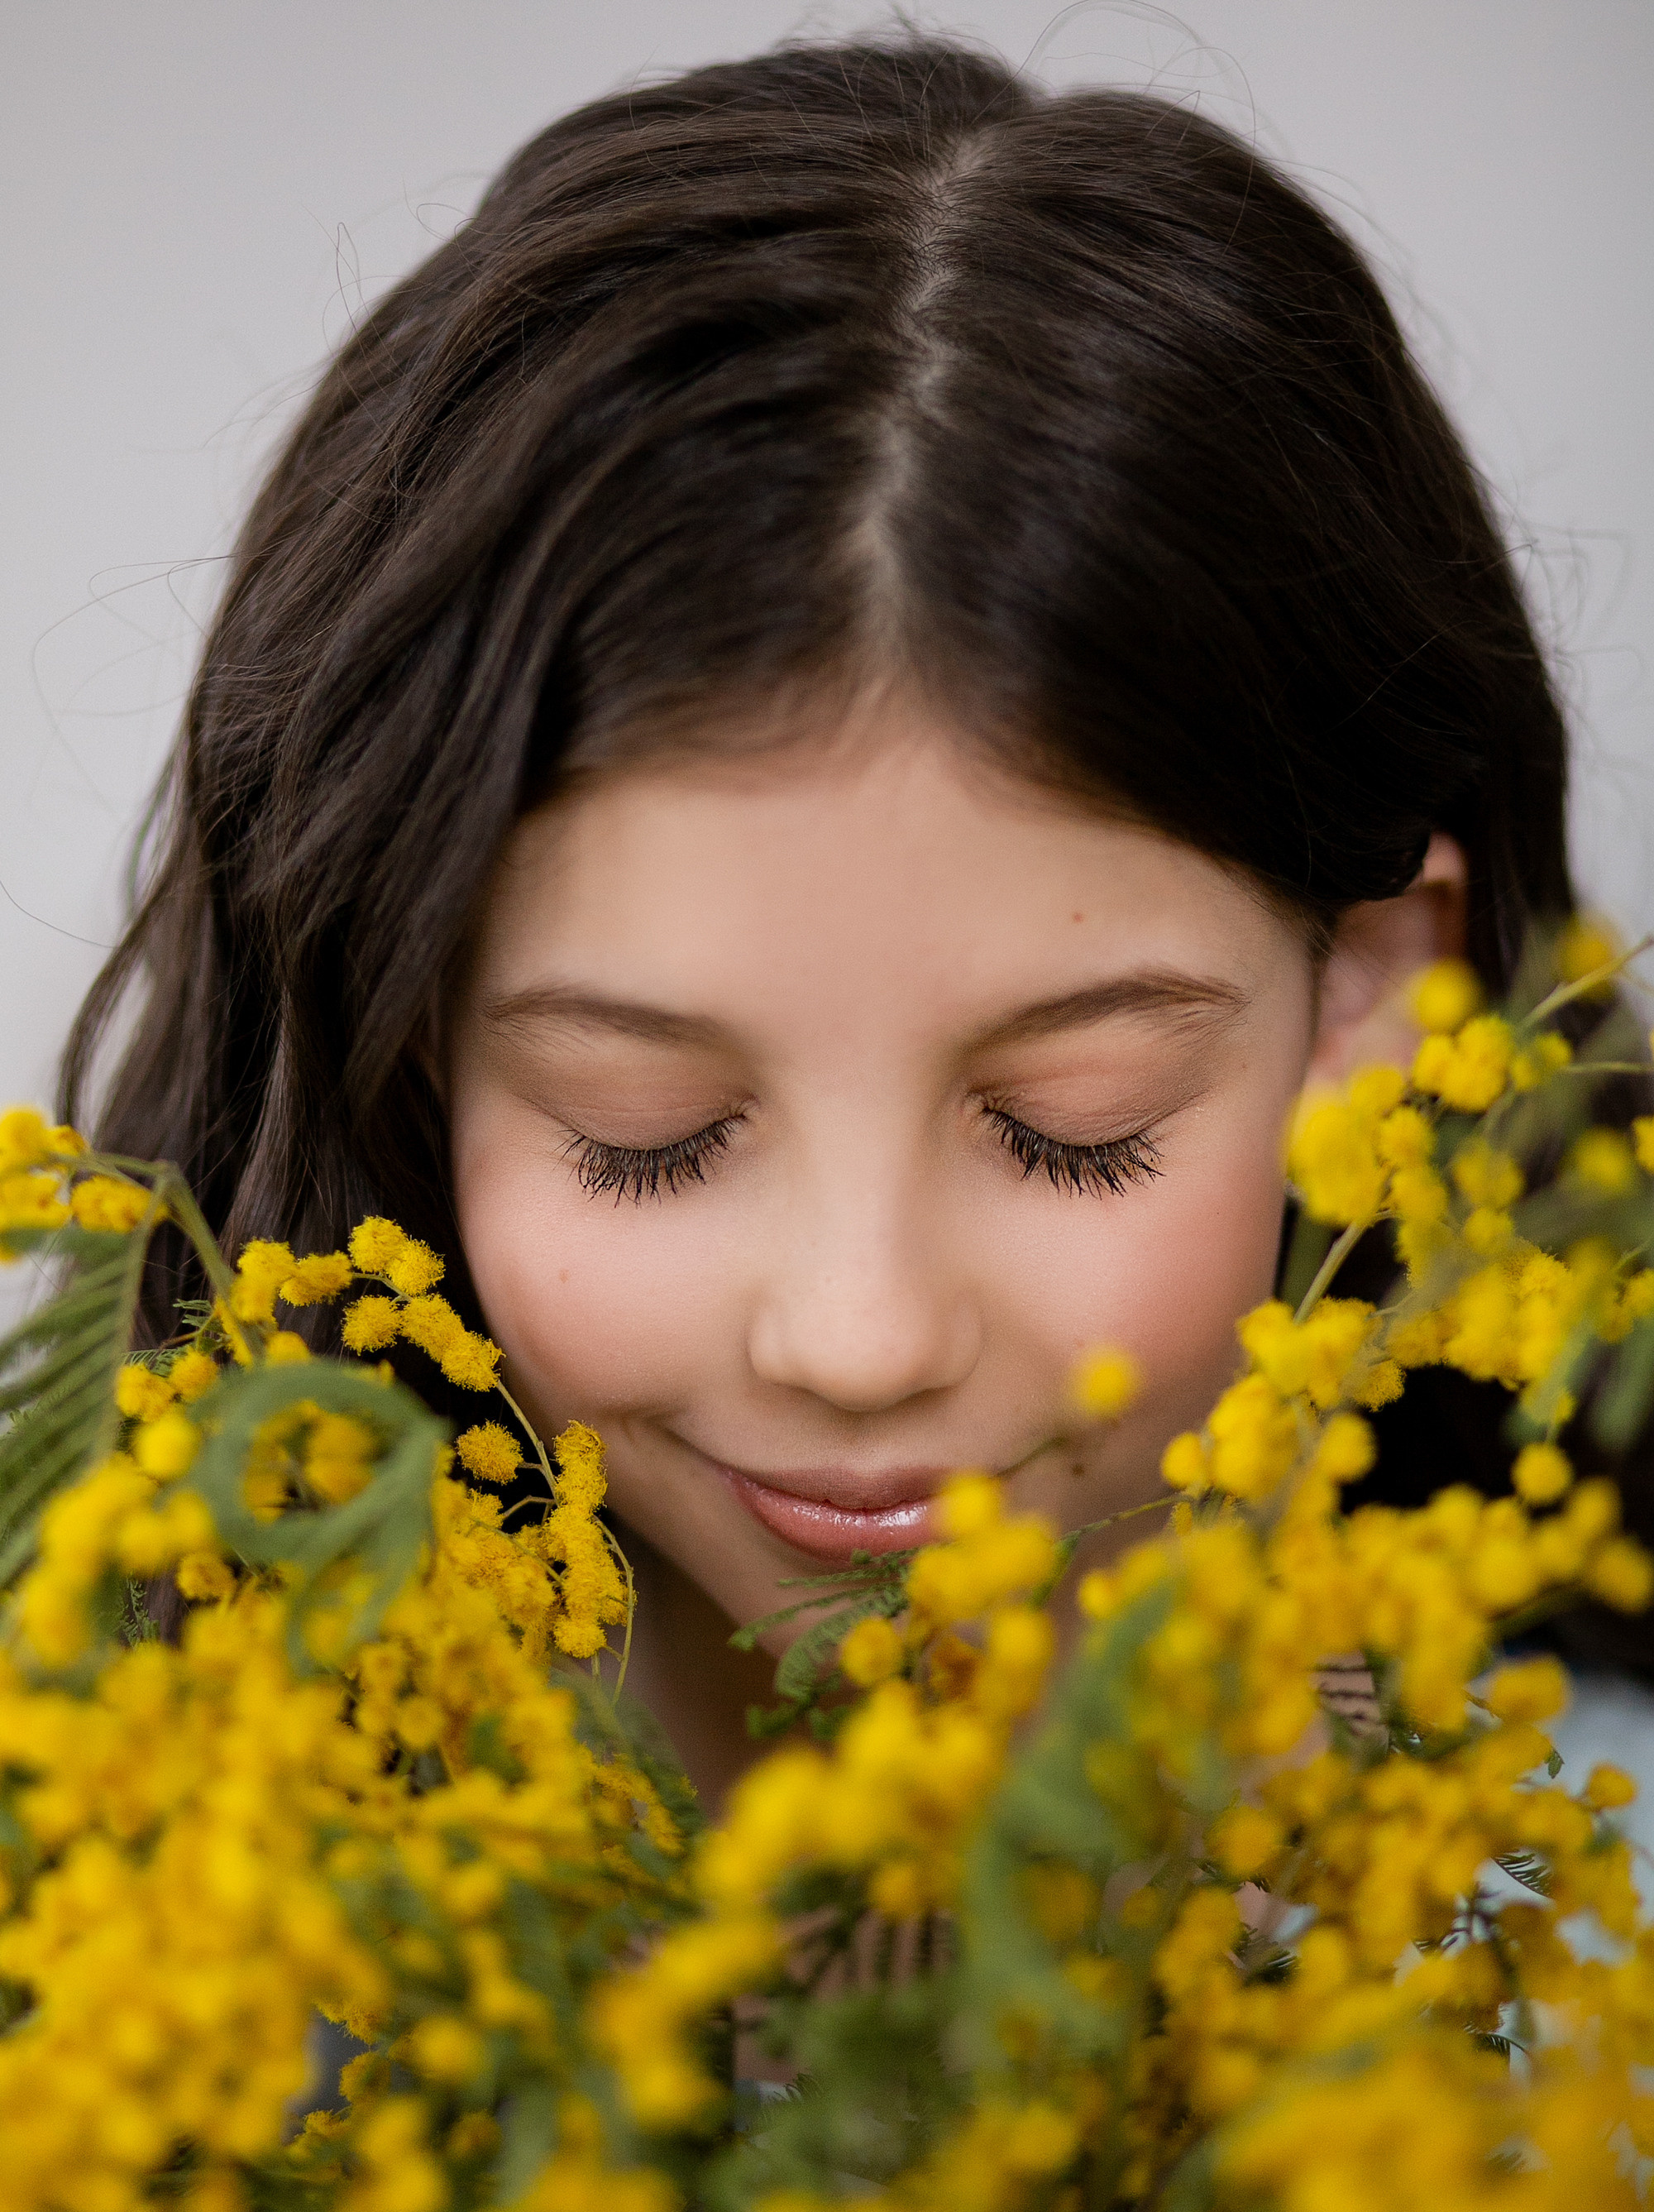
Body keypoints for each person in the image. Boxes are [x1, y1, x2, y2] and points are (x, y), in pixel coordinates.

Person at [60, 36, 1648, 1801]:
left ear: (1367, 1000)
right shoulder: (154, 1922)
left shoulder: (1590, 1969)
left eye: (1072, 1130)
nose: (859, 1336)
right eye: (646, 1138)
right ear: (409, 1026)